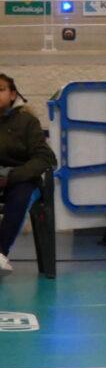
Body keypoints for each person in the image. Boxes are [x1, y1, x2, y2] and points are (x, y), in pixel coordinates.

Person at [0, 75, 58, 274]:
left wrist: (12, 176)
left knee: (20, 196)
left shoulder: (27, 121)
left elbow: (45, 158)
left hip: (22, 180)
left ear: (12, 94)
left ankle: (1, 252)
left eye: (0, 90)